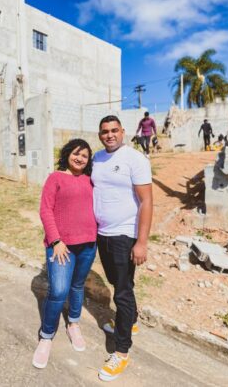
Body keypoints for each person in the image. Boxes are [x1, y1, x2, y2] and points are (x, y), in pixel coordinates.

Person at [92, 116, 153, 382]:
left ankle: (121, 350)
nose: (110, 135)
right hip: (102, 234)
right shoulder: (96, 158)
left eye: (114, 130)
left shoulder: (135, 159)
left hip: (124, 235)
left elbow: (147, 201)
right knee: (119, 282)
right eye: (105, 131)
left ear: (123, 132)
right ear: (99, 134)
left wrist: (141, 242)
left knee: (122, 293)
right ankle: (132, 321)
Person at [32, 139, 97, 369]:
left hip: (89, 244)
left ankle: (73, 324)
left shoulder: (91, 180)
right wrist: (56, 240)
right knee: (58, 290)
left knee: (77, 286)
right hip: (61, 246)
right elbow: (45, 210)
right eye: (76, 153)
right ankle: (46, 335)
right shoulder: (56, 178)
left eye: (85, 156)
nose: (80, 158)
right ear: (68, 153)